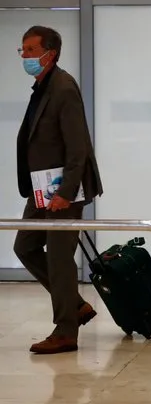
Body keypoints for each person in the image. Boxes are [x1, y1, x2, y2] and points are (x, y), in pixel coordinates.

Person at [13, 26, 103, 354]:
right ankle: (75, 305)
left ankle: (66, 331)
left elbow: (77, 146)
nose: (25, 56)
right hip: (42, 188)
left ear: (50, 53)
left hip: (64, 188)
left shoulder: (63, 88)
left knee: (60, 259)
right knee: (25, 246)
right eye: (22, 50)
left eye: (30, 50)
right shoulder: (42, 87)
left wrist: (66, 190)